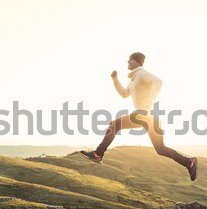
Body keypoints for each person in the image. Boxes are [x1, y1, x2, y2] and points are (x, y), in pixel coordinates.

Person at [80, 52, 198, 181]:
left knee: (114, 125)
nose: (128, 62)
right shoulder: (133, 79)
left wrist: (149, 103)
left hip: (145, 114)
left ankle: (98, 153)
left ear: (137, 61)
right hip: (150, 117)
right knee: (161, 149)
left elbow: (158, 81)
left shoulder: (142, 74)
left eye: (130, 60)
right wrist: (115, 80)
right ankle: (189, 162)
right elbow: (124, 94)